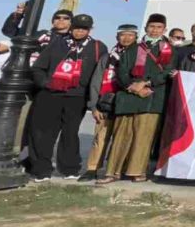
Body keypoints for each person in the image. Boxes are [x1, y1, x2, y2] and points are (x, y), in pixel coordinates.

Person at [27, 13, 108, 181]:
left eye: (83, 29)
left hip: (77, 97)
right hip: (50, 94)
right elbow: (38, 68)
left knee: (70, 133)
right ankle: (42, 169)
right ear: (71, 28)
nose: (79, 32)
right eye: (77, 28)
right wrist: (46, 83)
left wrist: (94, 100)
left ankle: (69, 168)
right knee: (44, 133)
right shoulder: (57, 44)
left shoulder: (98, 47)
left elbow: (101, 75)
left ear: (90, 29)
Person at [99, 14, 173, 184]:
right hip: (129, 96)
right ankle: (113, 171)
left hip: (152, 97)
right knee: (121, 136)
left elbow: (168, 71)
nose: (155, 30)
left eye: (159, 27)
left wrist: (147, 83)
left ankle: (137, 171)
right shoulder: (132, 48)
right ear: (146, 28)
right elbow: (122, 70)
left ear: (164, 29)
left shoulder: (169, 49)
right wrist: (132, 86)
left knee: (143, 137)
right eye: (152, 26)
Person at [81, 24, 140, 181]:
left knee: (124, 139)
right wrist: (93, 105)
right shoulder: (107, 57)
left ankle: (116, 170)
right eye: (123, 35)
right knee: (100, 138)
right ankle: (92, 168)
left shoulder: (140, 57)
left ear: (136, 37)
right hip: (106, 102)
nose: (126, 38)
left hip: (127, 102)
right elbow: (96, 81)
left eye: (130, 35)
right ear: (117, 37)